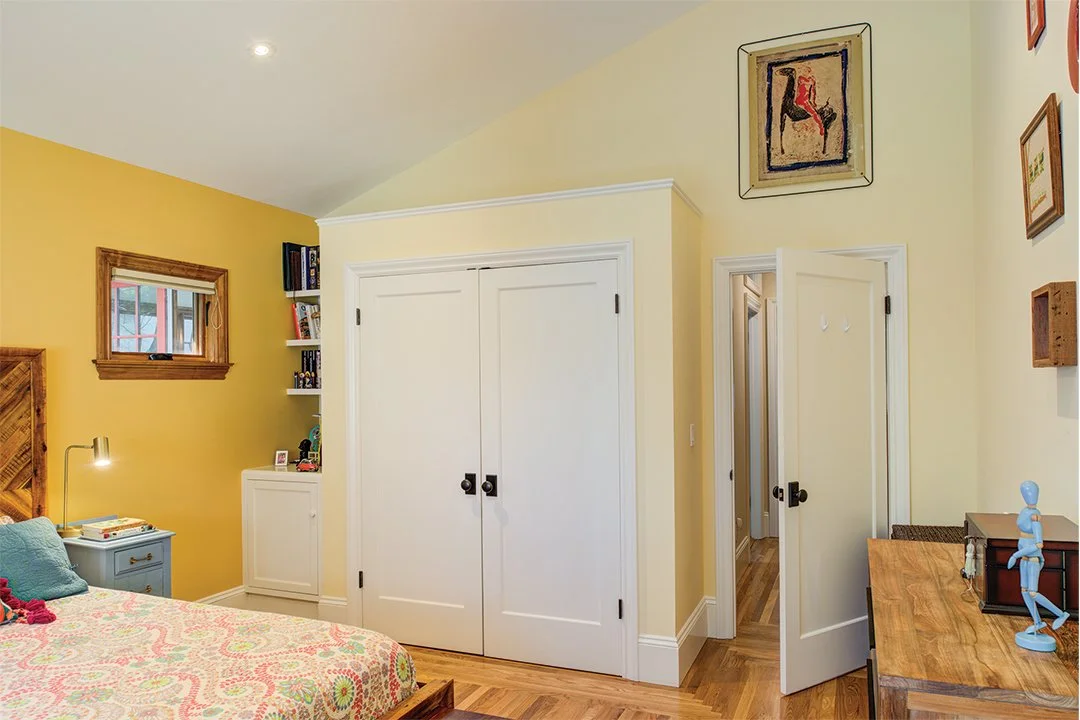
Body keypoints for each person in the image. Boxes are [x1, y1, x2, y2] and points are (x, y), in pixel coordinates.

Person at [1007, 481, 1070, 636]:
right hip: (1024, 559)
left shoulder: (1035, 519)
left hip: (1032, 559)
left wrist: (1016, 554)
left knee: (1033, 592)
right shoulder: (1025, 512)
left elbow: (1038, 544)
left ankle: (1061, 614)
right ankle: (1037, 621)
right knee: (1024, 591)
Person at [794, 64, 825, 138]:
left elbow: (813, 92)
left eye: (805, 71)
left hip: (806, 100)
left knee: (815, 113)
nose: (803, 72)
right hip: (801, 100)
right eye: (802, 71)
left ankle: (821, 127)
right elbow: (803, 84)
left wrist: (813, 102)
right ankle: (821, 127)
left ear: (808, 71)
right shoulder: (801, 78)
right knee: (813, 113)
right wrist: (812, 82)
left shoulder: (811, 80)